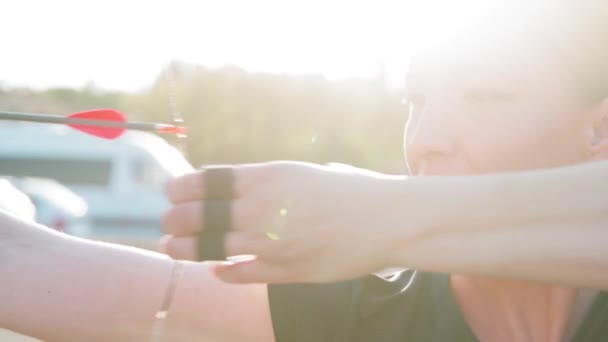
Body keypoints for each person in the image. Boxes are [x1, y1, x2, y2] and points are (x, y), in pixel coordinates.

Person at [1, 1, 608, 341]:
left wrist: (381, 214)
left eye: (486, 96)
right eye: (416, 102)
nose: (428, 139)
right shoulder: (357, 315)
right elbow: (27, 266)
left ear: (599, 130)